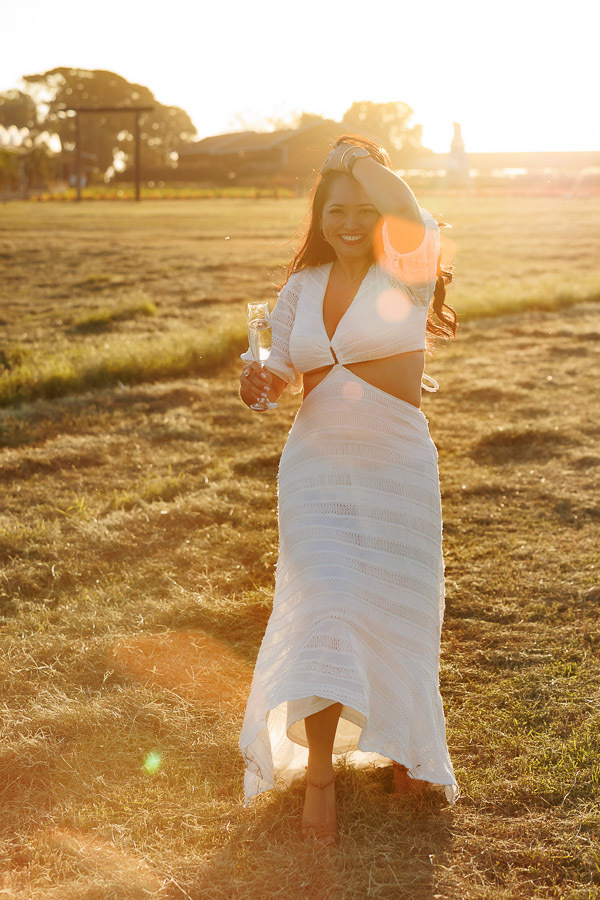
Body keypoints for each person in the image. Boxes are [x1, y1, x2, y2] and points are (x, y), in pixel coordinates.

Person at [238, 135, 459, 846]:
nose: (352, 221)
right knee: (327, 606)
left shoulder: (407, 271)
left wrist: (353, 156)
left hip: (395, 469)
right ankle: (320, 774)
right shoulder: (301, 288)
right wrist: (257, 383)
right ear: (320, 218)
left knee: (395, 608)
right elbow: (274, 375)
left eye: (365, 208)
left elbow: (409, 213)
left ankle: (404, 745)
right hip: (316, 471)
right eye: (337, 210)